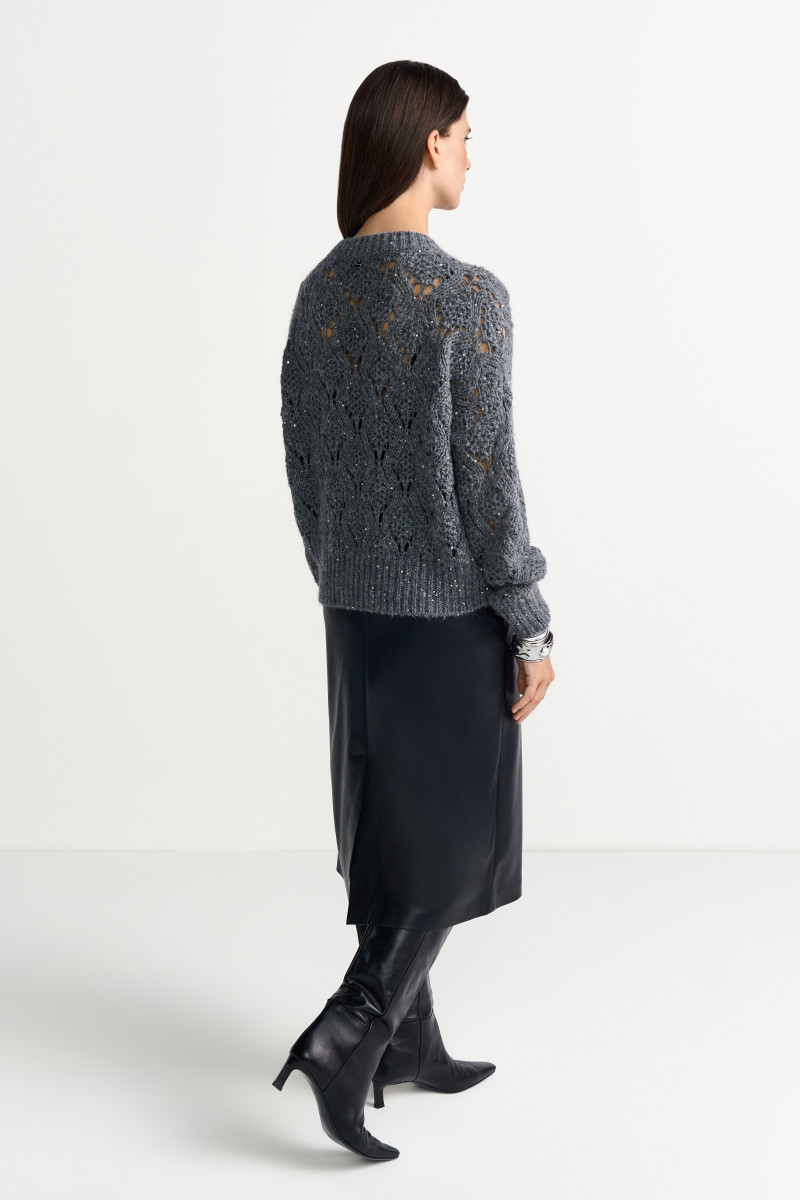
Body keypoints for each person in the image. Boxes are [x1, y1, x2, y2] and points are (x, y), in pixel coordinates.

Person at [273, 59, 556, 1160]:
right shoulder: (465, 298)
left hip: (354, 613)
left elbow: (301, 461)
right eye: (465, 136)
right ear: (428, 141)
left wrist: (337, 566)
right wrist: (528, 617)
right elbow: (489, 481)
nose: (472, 156)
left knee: (394, 833)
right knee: (447, 842)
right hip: (447, 618)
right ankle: (348, 1035)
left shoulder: (320, 294)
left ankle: (409, 1042)